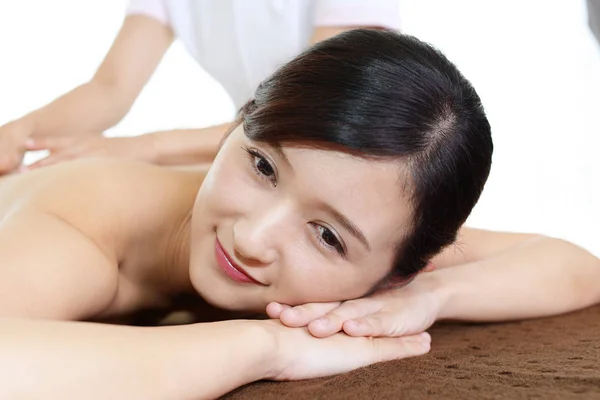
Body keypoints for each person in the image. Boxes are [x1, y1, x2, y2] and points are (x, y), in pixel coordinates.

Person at [1, 30, 599, 399]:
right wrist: (270, 348)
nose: (253, 237)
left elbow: (574, 264)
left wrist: (425, 299)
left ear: (394, 271)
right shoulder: (78, 223)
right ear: (237, 124)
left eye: (326, 236)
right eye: (263, 167)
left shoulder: (390, 256)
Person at [0, 0, 401, 175]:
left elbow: (316, 105)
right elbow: (110, 87)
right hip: (258, 151)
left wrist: (141, 149)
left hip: (359, 154)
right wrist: (18, 133)